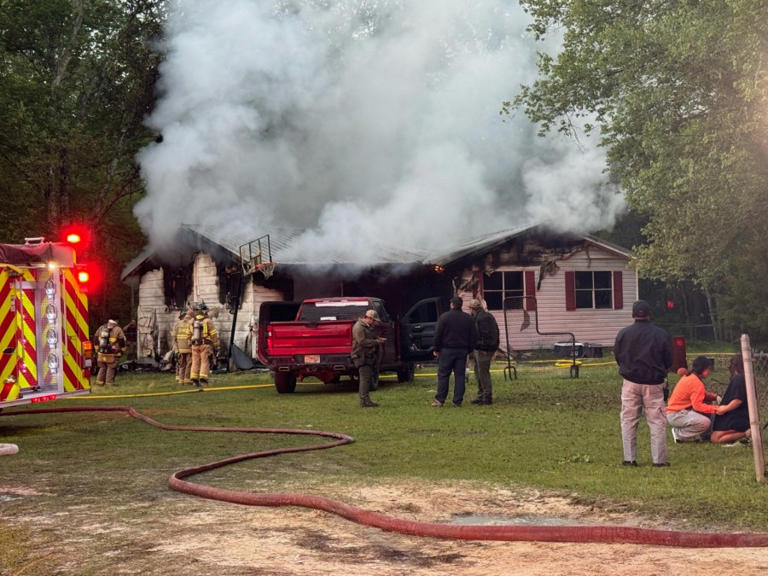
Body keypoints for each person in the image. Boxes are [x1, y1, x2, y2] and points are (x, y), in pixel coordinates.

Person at [614, 300, 673, 467]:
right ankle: (659, 461)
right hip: (654, 383)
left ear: (633, 315)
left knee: (628, 420)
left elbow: (618, 356)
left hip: (630, 382)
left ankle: (629, 459)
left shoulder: (624, 333)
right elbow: (669, 359)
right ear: (649, 314)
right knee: (657, 421)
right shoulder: (661, 334)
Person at [666, 355, 727, 443]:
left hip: (675, 413)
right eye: (708, 369)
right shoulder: (696, 382)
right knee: (705, 422)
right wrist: (717, 408)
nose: (709, 372)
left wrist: (714, 397)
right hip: (677, 414)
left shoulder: (690, 377)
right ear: (703, 369)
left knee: (708, 407)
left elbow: (700, 394)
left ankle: (706, 436)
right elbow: (698, 406)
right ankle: (679, 434)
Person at [432, 296, 478, 407]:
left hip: (446, 350)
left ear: (452, 304)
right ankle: (457, 401)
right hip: (462, 351)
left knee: (443, 375)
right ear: (461, 305)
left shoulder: (444, 317)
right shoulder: (468, 318)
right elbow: (473, 336)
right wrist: (469, 349)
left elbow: (438, 334)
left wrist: (436, 349)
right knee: (460, 376)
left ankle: (440, 400)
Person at [711, 355, 751, 445]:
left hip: (738, 416)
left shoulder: (739, 379)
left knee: (715, 438)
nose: (729, 367)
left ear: (735, 366)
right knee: (714, 436)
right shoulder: (743, 378)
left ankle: (747, 433)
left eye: (731, 364)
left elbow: (738, 400)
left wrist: (723, 409)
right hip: (734, 415)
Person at [351, 309, 385, 407]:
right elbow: (362, 341)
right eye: (374, 320)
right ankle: (364, 401)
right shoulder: (359, 327)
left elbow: (369, 336)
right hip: (361, 356)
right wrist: (376, 342)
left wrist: (377, 338)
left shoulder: (365, 327)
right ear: (369, 318)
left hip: (365, 355)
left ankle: (365, 400)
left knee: (366, 379)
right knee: (364, 379)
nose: (374, 323)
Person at [469, 298, 499, 405]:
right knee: (479, 371)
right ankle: (482, 395)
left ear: (472, 309)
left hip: (483, 349)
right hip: (482, 348)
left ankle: (486, 396)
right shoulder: (485, 316)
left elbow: (485, 335)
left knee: (483, 373)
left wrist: (485, 348)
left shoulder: (482, 318)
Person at [189, 303, 219, 386]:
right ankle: (203, 379)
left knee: (195, 361)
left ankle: (194, 378)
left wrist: (190, 342)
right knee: (204, 361)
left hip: (194, 344)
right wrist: (216, 345)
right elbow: (213, 334)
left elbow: (189, 334)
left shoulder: (192, 321)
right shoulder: (208, 321)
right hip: (205, 344)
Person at [94, 319, 126, 386]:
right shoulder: (118, 329)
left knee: (102, 367)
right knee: (111, 367)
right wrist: (122, 350)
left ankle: (99, 382)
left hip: (101, 352)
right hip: (112, 352)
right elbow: (121, 340)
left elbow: (96, 338)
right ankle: (109, 383)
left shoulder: (101, 328)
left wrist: (97, 349)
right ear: (116, 322)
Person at [173, 308, 194, 385]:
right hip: (189, 347)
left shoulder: (178, 324)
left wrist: (176, 349)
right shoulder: (191, 323)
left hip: (180, 347)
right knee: (189, 363)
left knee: (182, 364)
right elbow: (193, 335)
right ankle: (187, 379)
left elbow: (174, 337)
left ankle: (181, 380)